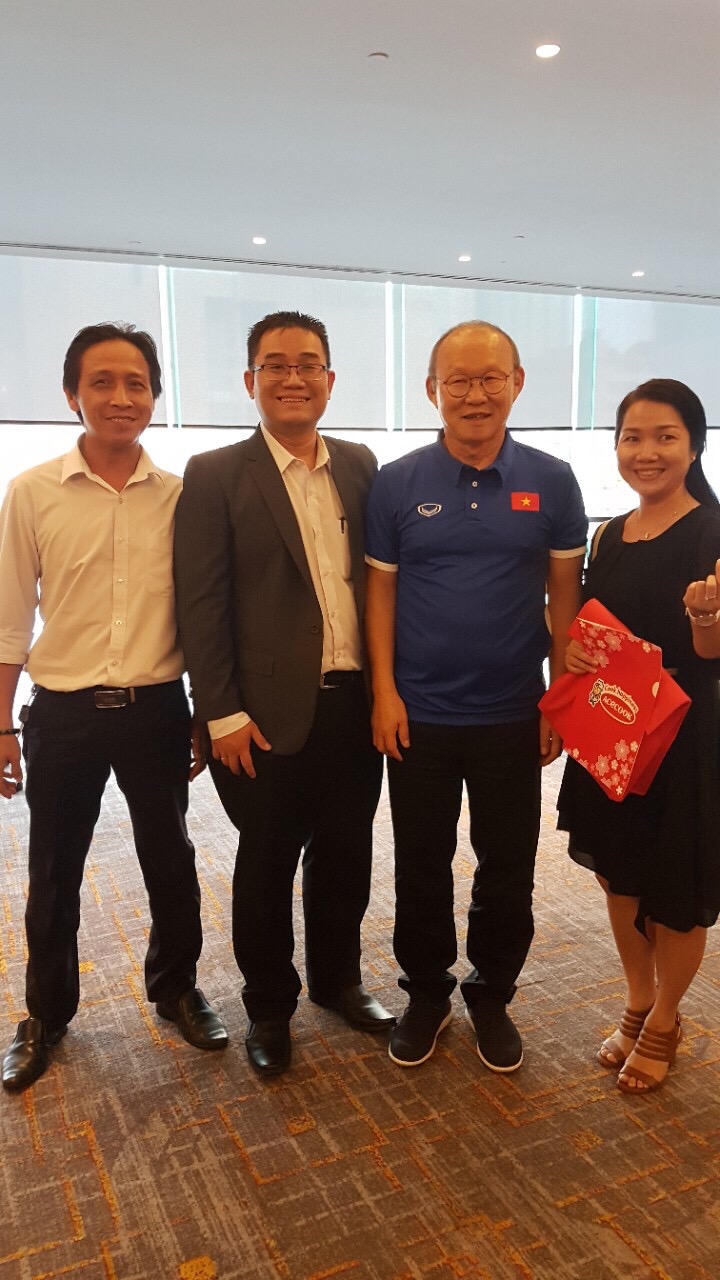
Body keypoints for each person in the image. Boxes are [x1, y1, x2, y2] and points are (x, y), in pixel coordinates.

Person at [0, 323, 227, 1093]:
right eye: (102, 381)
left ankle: (177, 989)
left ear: (155, 396)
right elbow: (8, 618)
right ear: (73, 394)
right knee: (53, 871)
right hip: (61, 714)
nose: (121, 397)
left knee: (171, 859)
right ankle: (45, 1015)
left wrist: (202, 710)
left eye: (137, 383)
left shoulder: (183, 497)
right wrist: (2, 722)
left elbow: (202, 613)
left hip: (156, 707)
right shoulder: (32, 492)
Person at [173, 310, 391, 1079]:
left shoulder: (361, 465)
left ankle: (338, 982)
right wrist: (220, 711)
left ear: (329, 379)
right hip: (263, 716)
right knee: (266, 864)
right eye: (276, 364)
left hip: (355, 704)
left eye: (308, 364)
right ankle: (269, 1007)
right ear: (251, 380)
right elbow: (200, 602)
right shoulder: (215, 473)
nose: (293, 377)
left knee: (346, 853)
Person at [365, 320, 587, 1072]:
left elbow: (565, 600)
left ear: (516, 383)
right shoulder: (397, 482)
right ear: (432, 390)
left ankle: (492, 993)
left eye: (491, 378)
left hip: (513, 713)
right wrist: (384, 692)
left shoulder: (552, 479)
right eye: (457, 381)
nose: (475, 394)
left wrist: (560, 701)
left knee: (508, 866)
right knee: (421, 863)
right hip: (419, 714)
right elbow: (380, 594)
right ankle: (427, 992)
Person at [557, 378, 720, 1094]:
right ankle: (637, 999)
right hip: (615, 731)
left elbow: (713, 657)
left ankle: (666, 1020)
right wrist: (574, 652)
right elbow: (594, 630)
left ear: (694, 446)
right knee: (619, 871)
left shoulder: (712, 532)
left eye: (665, 437)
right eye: (632, 437)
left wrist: (706, 619)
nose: (646, 452)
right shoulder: (609, 533)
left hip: (685, 739)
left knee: (674, 884)